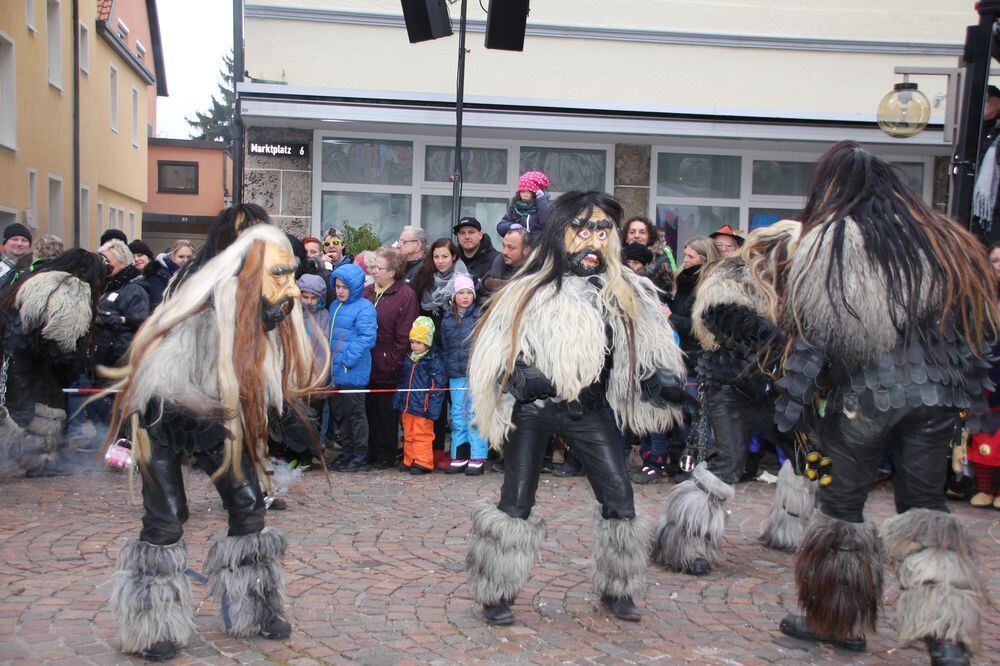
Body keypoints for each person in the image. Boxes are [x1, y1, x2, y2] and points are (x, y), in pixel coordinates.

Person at [771, 141, 996, 664]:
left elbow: (813, 330)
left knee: (842, 508)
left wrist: (798, 402)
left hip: (863, 397)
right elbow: (974, 325)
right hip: (935, 393)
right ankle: (947, 637)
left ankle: (836, 619)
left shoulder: (832, 240)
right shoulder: (941, 237)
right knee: (926, 508)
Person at [465, 191, 690, 626]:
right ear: (560, 233)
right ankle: (496, 590)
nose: (593, 240)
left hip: (588, 408)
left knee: (619, 496)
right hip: (534, 408)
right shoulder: (529, 290)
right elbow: (498, 344)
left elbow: (639, 349)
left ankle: (619, 587)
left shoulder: (623, 293)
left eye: (603, 231)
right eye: (583, 230)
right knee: (516, 501)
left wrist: (657, 380)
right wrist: (518, 372)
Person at [105, 226, 323, 662]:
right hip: (164, 416)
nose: (291, 290)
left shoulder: (256, 321)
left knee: (248, 504)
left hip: (219, 420)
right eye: (280, 275)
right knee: (166, 518)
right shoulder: (206, 302)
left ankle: (256, 608)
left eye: (292, 276)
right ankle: (151, 624)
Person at [653, 221, 811, 579]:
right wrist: (780, 340)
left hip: (777, 387)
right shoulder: (732, 275)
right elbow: (720, 317)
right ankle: (686, 541)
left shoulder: (798, 285)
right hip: (729, 385)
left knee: (807, 453)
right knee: (728, 461)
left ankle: (794, 529)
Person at [0, 249, 105, 477]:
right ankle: (39, 460)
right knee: (44, 405)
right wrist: (73, 365)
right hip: (27, 360)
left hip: (13, 353)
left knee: (21, 407)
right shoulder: (69, 287)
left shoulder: (34, 276)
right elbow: (62, 344)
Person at [364, 247, 419, 469]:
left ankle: (386, 452)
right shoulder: (367, 292)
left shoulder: (405, 295)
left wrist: (391, 361)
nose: (374, 271)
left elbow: (405, 335)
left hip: (388, 363)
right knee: (368, 410)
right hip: (366, 361)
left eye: (379, 268)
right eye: (373, 267)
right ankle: (370, 450)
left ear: (393, 271)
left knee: (385, 411)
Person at [328, 263, 377, 472]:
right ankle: (347, 451)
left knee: (356, 414)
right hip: (335, 371)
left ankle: (360, 455)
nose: (340, 291)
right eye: (338, 286)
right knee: (341, 415)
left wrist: (347, 360)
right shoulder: (334, 306)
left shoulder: (365, 307)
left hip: (353, 370)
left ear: (355, 287)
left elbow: (367, 338)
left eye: (345, 287)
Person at [439, 273, 487, 475]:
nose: (465, 297)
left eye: (469, 292)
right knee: (457, 415)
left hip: (475, 373)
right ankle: (459, 454)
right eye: (461, 293)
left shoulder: (480, 316)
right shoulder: (447, 320)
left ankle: (478, 456)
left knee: (474, 415)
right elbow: (444, 347)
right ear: (454, 296)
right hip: (455, 374)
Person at [393, 316, 447, 475]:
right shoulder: (408, 359)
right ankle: (409, 459)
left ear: (427, 343)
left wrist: (433, 408)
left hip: (423, 406)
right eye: (412, 342)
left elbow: (438, 387)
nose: (414, 345)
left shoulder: (433, 361)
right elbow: (402, 382)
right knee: (408, 433)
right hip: (407, 405)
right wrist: (398, 400)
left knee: (422, 434)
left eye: (418, 342)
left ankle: (423, 462)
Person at [411, 238, 468, 319]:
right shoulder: (423, 274)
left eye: (445, 257)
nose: (440, 261)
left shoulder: (463, 277)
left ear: (453, 256)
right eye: (436, 257)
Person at [497, 171, 550, 242]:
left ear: (535, 192)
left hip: (538, 246)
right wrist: (510, 226)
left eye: (528, 191)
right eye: (522, 191)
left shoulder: (544, 205)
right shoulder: (516, 206)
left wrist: (540, 200)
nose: (525, 195)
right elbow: (500, 226)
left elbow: (547, 223)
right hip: (519, 245)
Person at [144, 240, 195, 310]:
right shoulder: (158, 274)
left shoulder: (195, 273)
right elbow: (158, 305)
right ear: (172, 255)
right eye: (181, 257)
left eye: (189, 257)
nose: (185, 260)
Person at [481, 228, 531, 295]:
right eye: (504, 246)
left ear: (526, 250)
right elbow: (478, 290)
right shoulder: (498, 265)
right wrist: (488, 284)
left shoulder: (537, 272)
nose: (505, 252)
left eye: (511, 248)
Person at [453, 217, 499, 288]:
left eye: (471, 232)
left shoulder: (497, 260)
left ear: (480, 235)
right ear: (458, 237)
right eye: (462, 233)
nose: (467, 237)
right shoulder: (452, 260)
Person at [0, 223, 33, 293]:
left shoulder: (36, 266)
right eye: (15, 239)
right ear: (5, 242)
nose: (19, 244)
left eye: (24, 240)